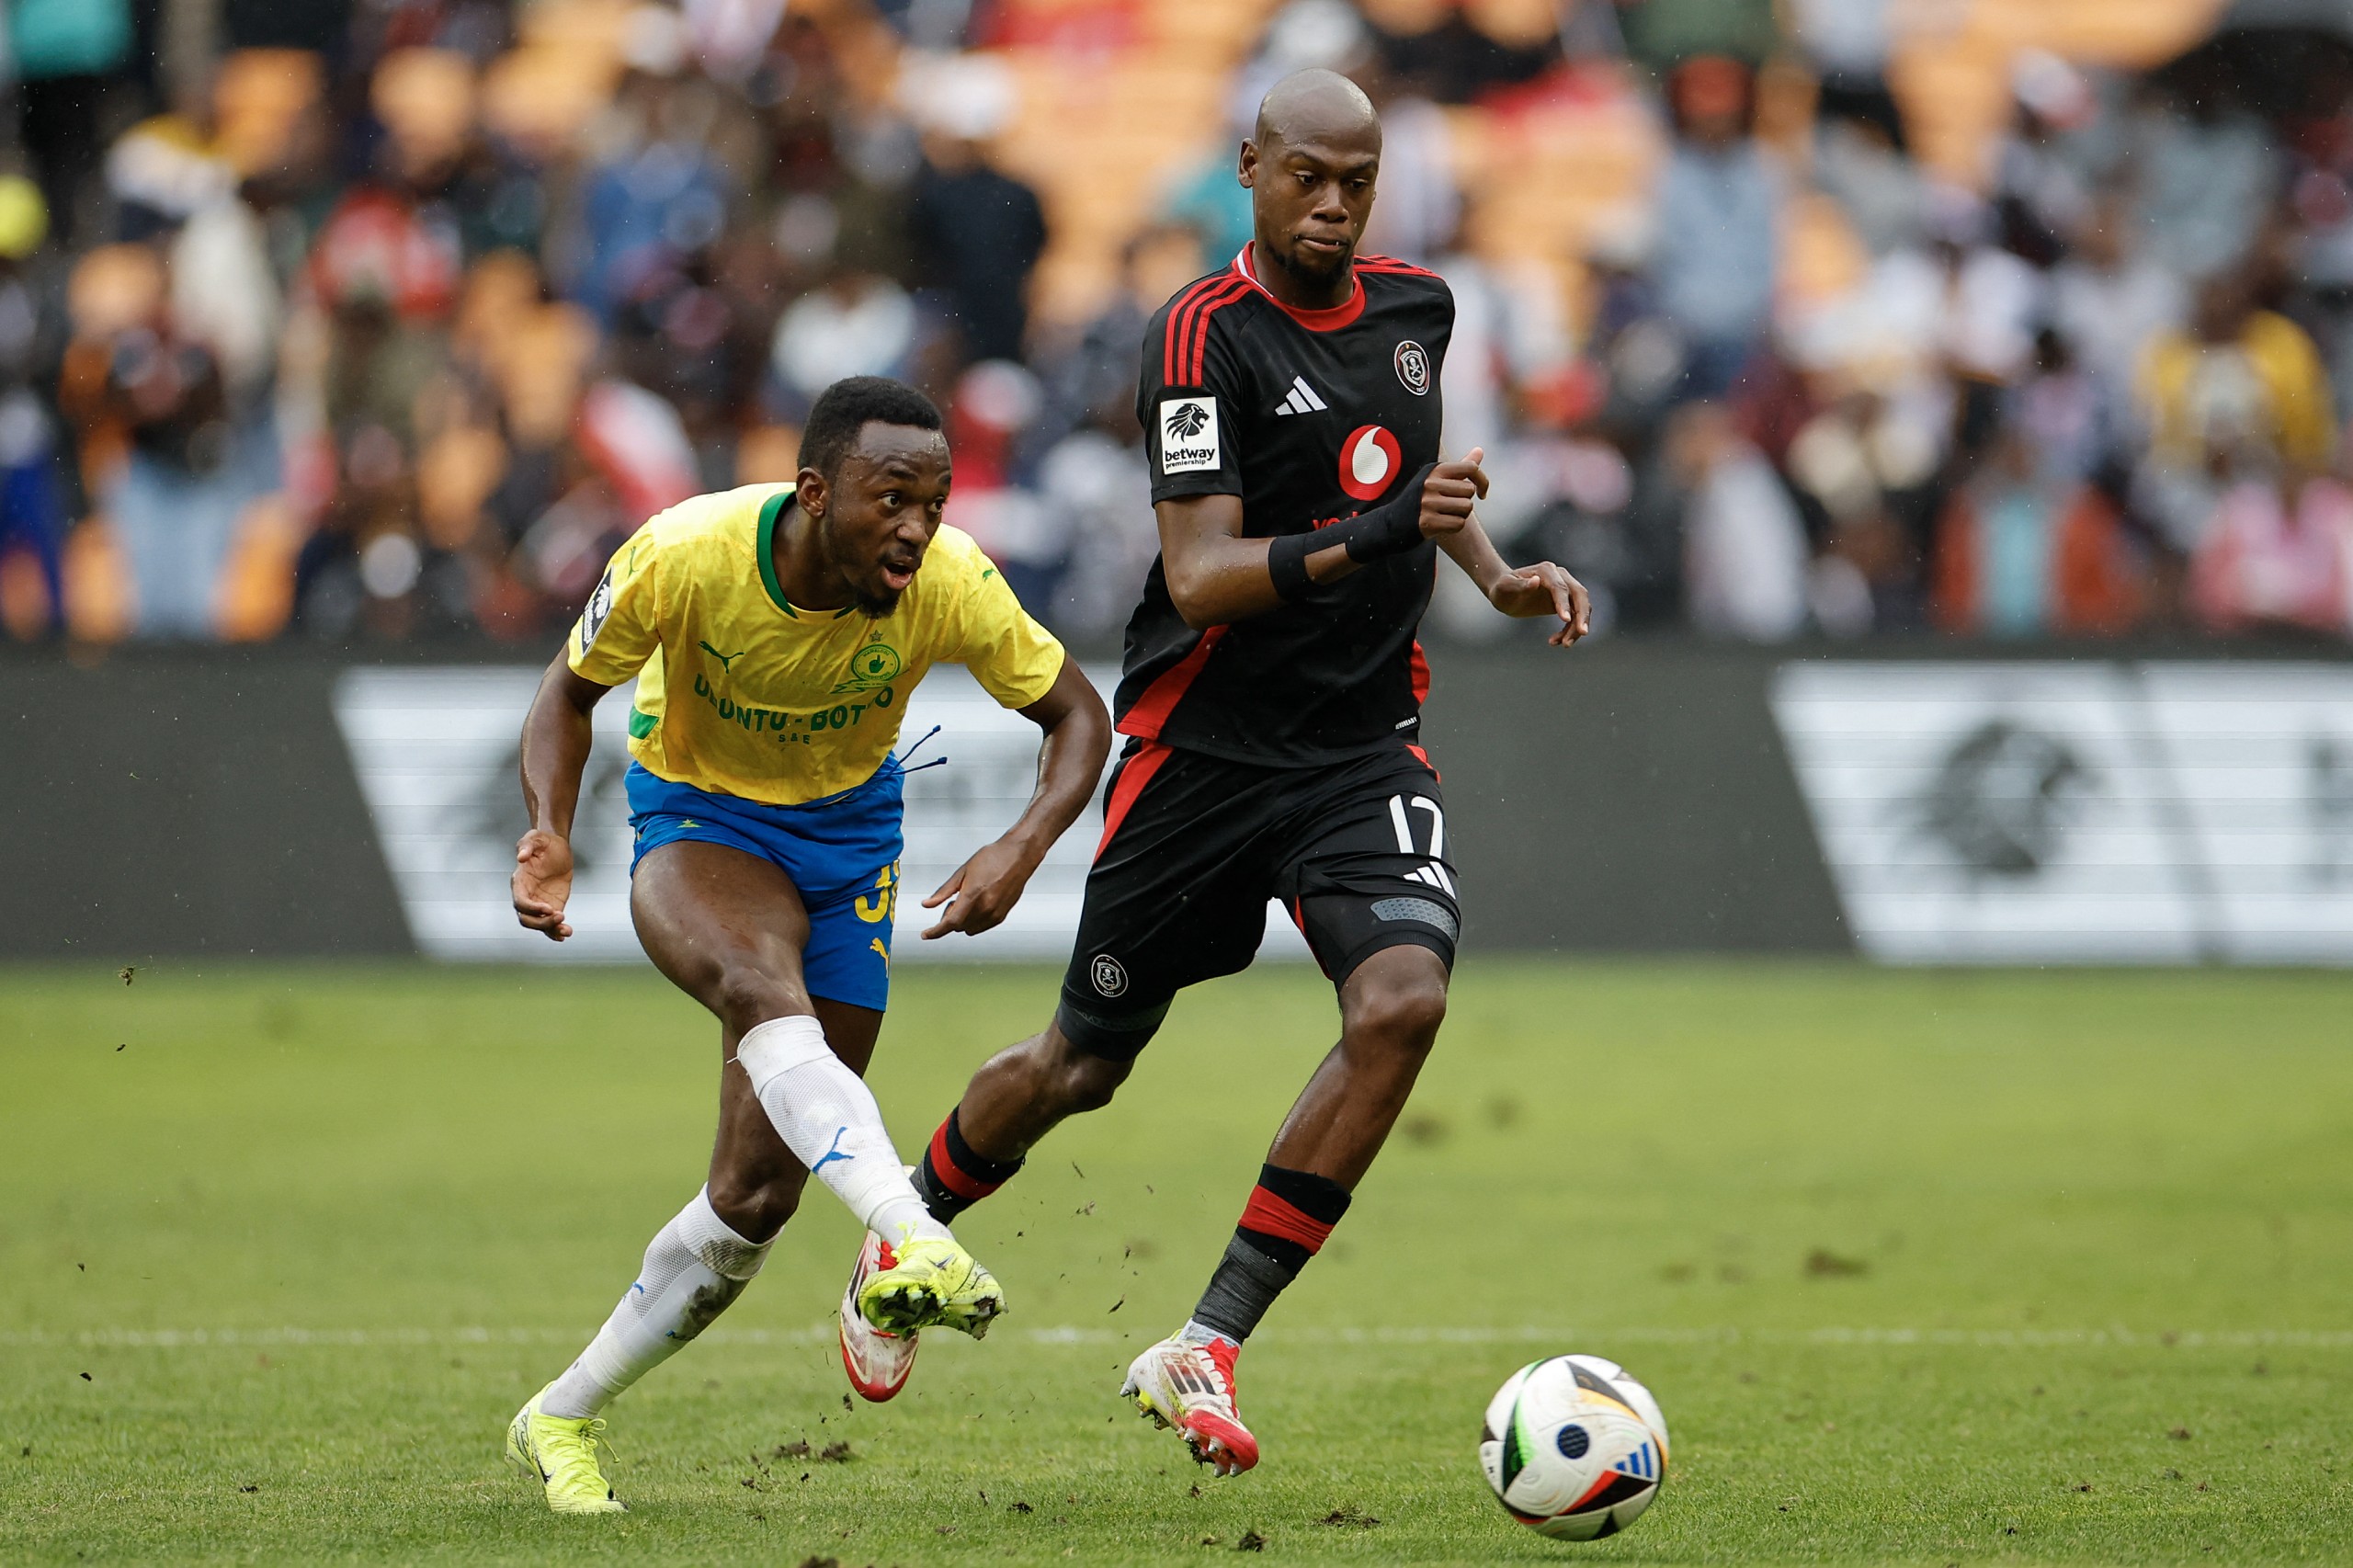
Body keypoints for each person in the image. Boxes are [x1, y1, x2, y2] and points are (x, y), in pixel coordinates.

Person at [832, 70, 1591, 1474]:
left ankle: (1208, 1337)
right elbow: (1201, 571)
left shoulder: (1418, 311)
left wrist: (1487, 571)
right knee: (1079, 1066)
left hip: (1359, 746)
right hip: (1201, 757)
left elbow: (1414, 493)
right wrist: (1379, 537)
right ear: (1250, 166)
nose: (1334, 203)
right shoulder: (1200, 336)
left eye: (1357, 181)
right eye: (1308, 174)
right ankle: (909, 1220)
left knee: (1405, 998)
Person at [501, 375, 1111, 1512]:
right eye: (892, 499)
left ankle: (558, 1414)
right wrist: (546, 827)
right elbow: (566, 691)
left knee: (755, 1195)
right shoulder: (684, 555)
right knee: (755, 987)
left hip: (850, 841)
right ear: (816, 491)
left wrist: (1021, 846)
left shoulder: (951, 582)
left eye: (931, 502)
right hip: (700, 818)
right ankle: (904, 1229)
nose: (916, 528)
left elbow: (1080, 712)